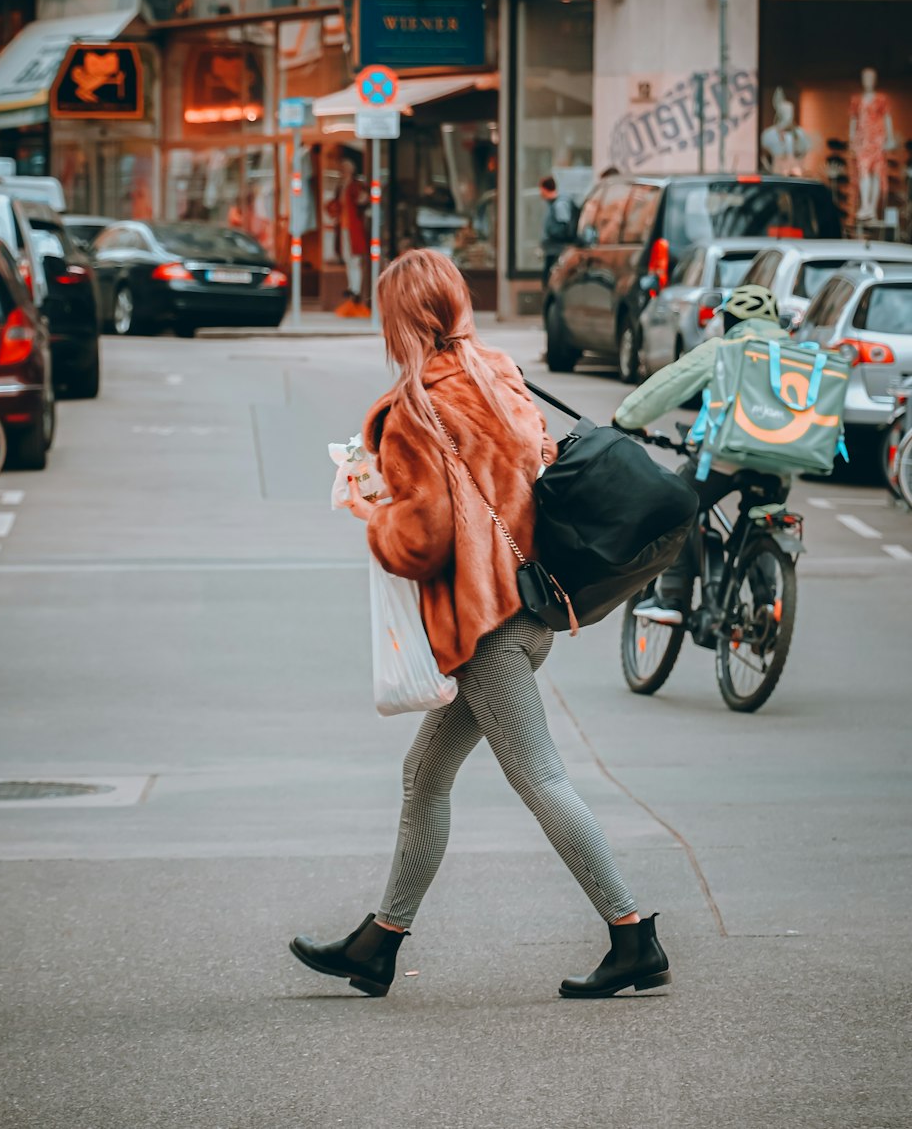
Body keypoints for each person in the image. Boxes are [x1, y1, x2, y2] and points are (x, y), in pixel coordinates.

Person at [289, 248, 670, 1000]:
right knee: (423, 774)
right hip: (529, 605)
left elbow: (420, 540)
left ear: (400, 321)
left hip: (484, 621)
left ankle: (632, 936)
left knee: (542, 777)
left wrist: (369, 509)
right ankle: (379, 943)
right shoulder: (498, 374)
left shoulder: (414, 411)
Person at [613, 284, 786, 626]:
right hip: (783, 463)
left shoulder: (726, 349)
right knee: (761, 519)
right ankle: (767, 604)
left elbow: (667, 385)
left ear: (732, 320)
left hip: (726, 458)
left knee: (678, 506)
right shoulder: (799, 354)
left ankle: (672, 597)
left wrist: (626, 419)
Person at [327, 152, 371, 318]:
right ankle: (352, 287)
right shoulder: (342, 186)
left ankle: (356, 289)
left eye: (345, 169)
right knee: (347, 257)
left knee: (354, 258)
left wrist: (364, 197)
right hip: (344, 227)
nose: (343, 171)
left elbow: (362, 200)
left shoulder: (354, 185)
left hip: (353, 228)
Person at [539, 175, 578, 284]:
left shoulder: (560, 204)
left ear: (544, 189)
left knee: (550, 279)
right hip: (553, 248)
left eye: (541, 189)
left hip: (557, 249)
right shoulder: (555, 203)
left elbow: (564, 224)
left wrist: (553, 236)